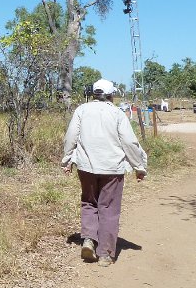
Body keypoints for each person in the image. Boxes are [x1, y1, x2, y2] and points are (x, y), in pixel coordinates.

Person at [61, 78, 148, 267]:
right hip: (112, 169)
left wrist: (67, 160)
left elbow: (70, 137)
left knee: (89, 202)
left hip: (86, 167)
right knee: (108, 208)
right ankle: (106, 254)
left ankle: (89, 240)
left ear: (94, 94)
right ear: (111, 95)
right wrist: (139, 167)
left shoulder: (81, 110)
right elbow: (129, 142)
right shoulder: (116, 114)